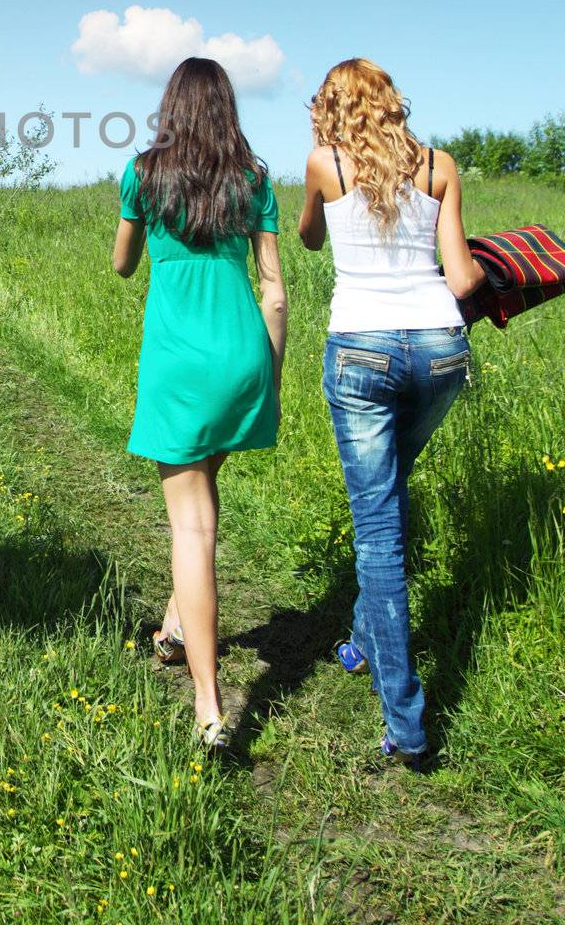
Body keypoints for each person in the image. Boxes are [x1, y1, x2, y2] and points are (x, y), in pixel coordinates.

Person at [297, 58, 487, 768]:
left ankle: (406, 723)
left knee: (378, 530)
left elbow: (311, 238)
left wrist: (321, 208)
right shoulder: (440, 166)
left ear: (333, 106)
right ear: (392, 102)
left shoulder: (326, 165)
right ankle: (361, 641)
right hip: (440, 349)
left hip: (361, 352)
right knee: (390, 495)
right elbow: (462, 277)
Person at [112, 58, 287, 749]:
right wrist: (270, 373)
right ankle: (175, 629)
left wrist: (141, 236)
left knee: (193, 529)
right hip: (242, 356)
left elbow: (124, 264)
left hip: (179, 366)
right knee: (204, 491)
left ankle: (209, 706)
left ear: (171, 108)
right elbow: (273, 290)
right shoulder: (253, 179)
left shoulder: (143, 174)